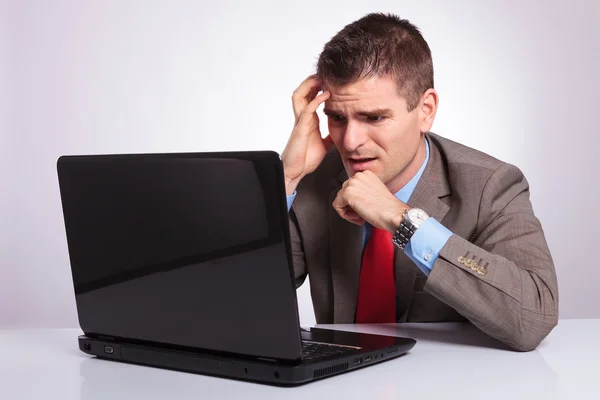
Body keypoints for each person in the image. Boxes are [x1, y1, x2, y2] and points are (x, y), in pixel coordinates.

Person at [281, 13, 558, 351]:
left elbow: (533, 318)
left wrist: (402, 220)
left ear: (425, 109)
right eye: (337, 118)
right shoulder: (312, 180)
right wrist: (286, 178)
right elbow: (236, 297)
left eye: (374, 117)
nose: (350, 141)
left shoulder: (491, 185)